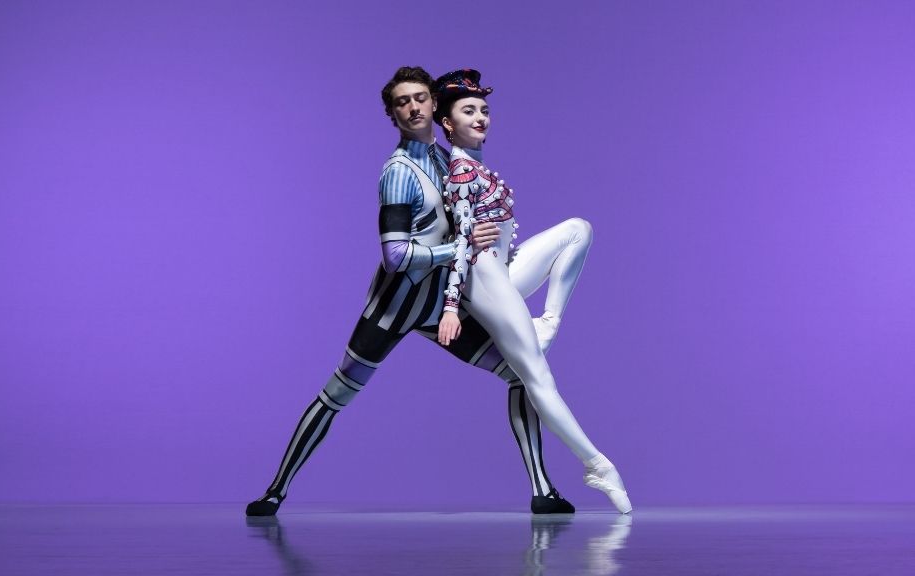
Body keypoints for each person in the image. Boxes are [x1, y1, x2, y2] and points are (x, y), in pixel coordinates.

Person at [245, 66, 594, 516]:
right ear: (393, 114)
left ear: (434, 105)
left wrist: (488, 234)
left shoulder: (448, 160)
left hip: (438, 307)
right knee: (337, 394)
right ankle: (276, 490)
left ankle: (543, 489)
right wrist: (458, 247)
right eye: (401, 102)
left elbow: (472, 216)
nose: (412, 107)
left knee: (520, 374)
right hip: (392, 308)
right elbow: (395, 255)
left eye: (419, 98)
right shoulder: (398, 172)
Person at [433, 68, 632, 513]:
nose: (481, 117)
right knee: (537, 376)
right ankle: (596, 465)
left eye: (484, 110)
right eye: (469, 111)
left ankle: (549, 321)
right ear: (448, 123)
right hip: (482, 280)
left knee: (577, 230)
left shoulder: (476, 165)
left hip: (503, 269)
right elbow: (462, 244)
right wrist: (450, 307)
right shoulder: (462, 174)